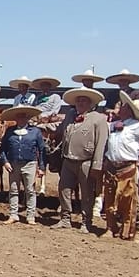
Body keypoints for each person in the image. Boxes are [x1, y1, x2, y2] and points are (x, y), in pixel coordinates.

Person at [102, 91, 139, 243]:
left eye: (121, 106)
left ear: (128, 110)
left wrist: (136, 152)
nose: (118, 108)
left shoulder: (137, 126)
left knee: (133, 199)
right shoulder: (112, 125)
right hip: (112, 166)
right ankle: (111, 227)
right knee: (109, 197)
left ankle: (136, 229)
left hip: (128, 167)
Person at [53, 88, 109, 233]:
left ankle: (86, 222)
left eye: (84, 100)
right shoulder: (70, 117)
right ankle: (65, 219)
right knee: (63, 189)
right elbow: (59, 130)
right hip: (68, 160)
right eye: (78, 100)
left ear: (90, 103)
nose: (80, 103)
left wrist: (97, 164)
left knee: (87, 193)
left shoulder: (99, 119)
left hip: (87, 161)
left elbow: (101, 142)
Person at [0, 105, 46, 225]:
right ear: (16, 118)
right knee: (13, 190)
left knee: (30, 190)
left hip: (30, 163)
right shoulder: (9, 131)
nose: (21, 119)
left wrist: (41, 167)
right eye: (19, 116)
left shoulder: (35, 131)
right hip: (13, 164)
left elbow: (41, 150)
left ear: (27, 118)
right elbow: (2, 149)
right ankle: (13, 215)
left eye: (23, 116)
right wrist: (5, 162)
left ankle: (30, 216)